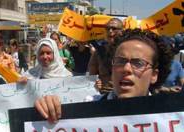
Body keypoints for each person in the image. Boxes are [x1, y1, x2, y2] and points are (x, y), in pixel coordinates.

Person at [34, 29, 172, 123]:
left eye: (138, 63)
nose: (126, 69)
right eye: (120, 61)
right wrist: (49, 110)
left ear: (154, 75)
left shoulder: (170, 119)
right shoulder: (88, 106)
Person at [89, 18, 124, 93]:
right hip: (103, 96)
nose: (110, 31)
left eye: (114, 28)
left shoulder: (128, 51)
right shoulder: (98, 52)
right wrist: (96, 83)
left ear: (122, 31)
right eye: (107, 28)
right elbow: (91, 76)